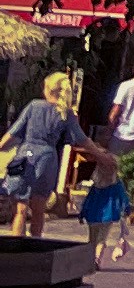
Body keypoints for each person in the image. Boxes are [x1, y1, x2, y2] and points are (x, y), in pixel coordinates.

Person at [2, 72, 104, 238]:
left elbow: (13, 133)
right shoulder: (67, 114)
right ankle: (35, 250)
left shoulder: (34, 106)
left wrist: (0, 146)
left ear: (48, 89)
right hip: (48, 160)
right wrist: (100, 155)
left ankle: (16, 250)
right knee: (39, 210)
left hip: (25, 158)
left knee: (20, 210)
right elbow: (82, 140)